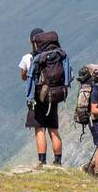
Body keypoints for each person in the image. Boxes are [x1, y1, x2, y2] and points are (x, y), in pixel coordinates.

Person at [20, 28, 67, 165]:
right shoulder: (55, 55)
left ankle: (42, 162)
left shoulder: (29, 57)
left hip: (38, 97)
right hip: (54, 94)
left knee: (39, 128)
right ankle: (58, 162)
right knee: (53, 128)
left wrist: (26, 72)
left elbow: (23, 77)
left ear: (31, 41)